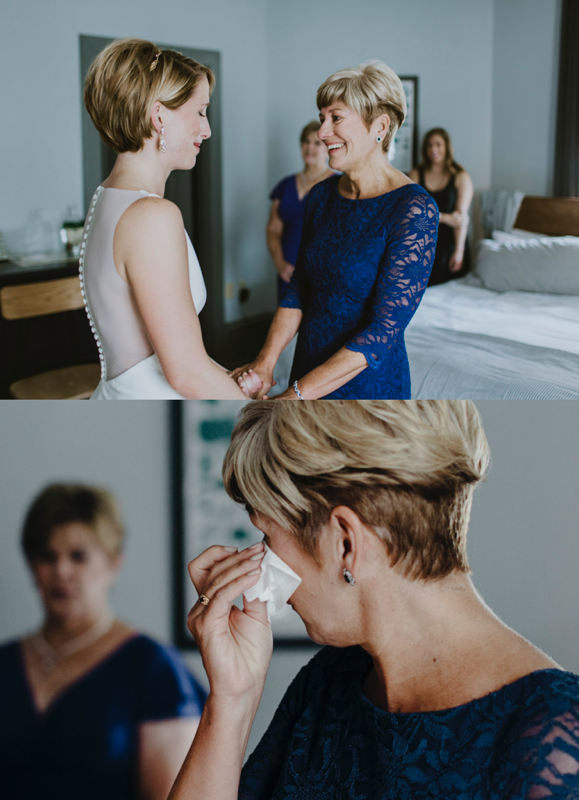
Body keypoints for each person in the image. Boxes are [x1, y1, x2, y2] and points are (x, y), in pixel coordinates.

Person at [168, 400, 579, 800]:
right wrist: (233, 699)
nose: (257, 565)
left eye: (267, 537)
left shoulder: (555, 739)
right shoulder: (326, 684)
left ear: (346, 543)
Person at [232, 61, 438, 400]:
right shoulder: (321, 196)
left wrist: (293, 397)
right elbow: (299, 288)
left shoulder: (413, 209)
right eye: (322, 119)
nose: (322, 132)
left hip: (368, 391)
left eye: (336, 118)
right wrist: (266, 362)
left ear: (380, 125)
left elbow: (382, 332)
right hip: (306, 368)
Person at [0, 483, 206, 800]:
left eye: (78, 556)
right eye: (47, 556)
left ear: (113, 563)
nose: (61, 571)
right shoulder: (5, 662)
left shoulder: (154, 668)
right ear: (32, 565)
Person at [81, 38, 261, 400]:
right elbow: (186, 375)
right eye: (200, 112)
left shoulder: (106, 197)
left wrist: (227, 379)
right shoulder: (152, 216)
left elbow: (175, 358)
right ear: (159, 116)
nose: (207, 130)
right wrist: (258, 412)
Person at [267, 121, 334, 303]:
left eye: (317, 143)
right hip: (287, 271)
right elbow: (273, 229)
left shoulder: (336, 185)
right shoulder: (286, 184)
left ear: (327, 148)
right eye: (306, 142)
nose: (310, 147)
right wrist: (280, 264)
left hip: (321, 273)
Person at [410, 128, 473, 286]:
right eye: (429, 145)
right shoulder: (416, 174)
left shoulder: (460, 176)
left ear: (446, 147)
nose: (433, 149)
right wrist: (444, 217)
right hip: (423, 244)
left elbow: (460, 220)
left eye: (438, 144)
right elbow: (411, 214)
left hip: (450, 244)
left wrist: (459, 252)